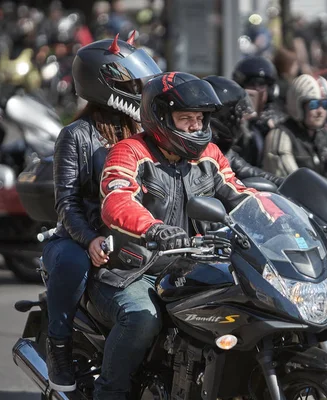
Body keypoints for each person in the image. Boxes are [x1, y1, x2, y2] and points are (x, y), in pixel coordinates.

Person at [90, 72, 255, 400]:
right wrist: (153, 227)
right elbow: (116, 199)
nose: (196, 127)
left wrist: (279, 220)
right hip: (135, 271)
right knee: (143, 320)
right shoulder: (131, 152)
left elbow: (240, 194)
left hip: (195, 269)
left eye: (199, 118)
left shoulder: (209, 155)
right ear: (161, 118)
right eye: (186, 119)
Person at [43, 35, 161, 392]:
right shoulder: (76, 135)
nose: (139, 89)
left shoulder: (146, 133)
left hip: (133, 240)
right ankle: (58, 345)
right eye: (131, 84)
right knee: (74, 262)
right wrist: (91, 238)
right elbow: (66, 204)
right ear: (103, 82)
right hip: (80, 238)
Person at [203, 75, 284, 187]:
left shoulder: (222, 148)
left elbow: (249, 171)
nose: (242, 121)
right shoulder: (201, 149)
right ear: (224, 115)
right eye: (237, 116)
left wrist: (285, 183)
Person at [232, 56, 287, 166]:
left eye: (261, 84)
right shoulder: (230, 115)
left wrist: (271, 128)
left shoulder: (278, 117)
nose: (256, 89)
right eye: (251, 84)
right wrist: (240, 125)